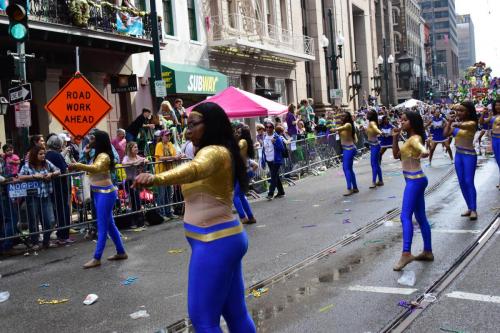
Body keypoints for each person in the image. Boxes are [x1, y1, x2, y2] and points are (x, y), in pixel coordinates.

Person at [133, 102, 256, 333]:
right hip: (224, 238)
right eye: (186, 125)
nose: (187, 131)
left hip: (215, 241)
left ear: (210, 126)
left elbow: (195, 169)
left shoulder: (214, 152)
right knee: (236, 313)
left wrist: (156, 178)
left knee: (203, 320)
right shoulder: (219, 150)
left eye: (193, 125)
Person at [69, 130, 128, 268]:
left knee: (102, 226)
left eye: (93, 139)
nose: (90, 140)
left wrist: (77, 165)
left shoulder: (103, 156)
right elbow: (85, 162)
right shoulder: (96, 153)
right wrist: (83, 154)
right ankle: (121, 252)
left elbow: (95, 168)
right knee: (109, 225)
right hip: (99, 192)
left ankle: (97, 258)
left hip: (105, 193)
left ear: (99, 140)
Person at [391, 111, 432, 271]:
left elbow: (423, 149)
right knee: (420, 216)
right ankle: (427, 251)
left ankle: (406, 253)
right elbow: (395, 155)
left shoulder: (414, 139)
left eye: (405, 120)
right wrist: (395, 137)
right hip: (414, 180)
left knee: (404, 216)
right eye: (401, 119)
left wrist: (424, 152)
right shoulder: (408, 139)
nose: (402, 122)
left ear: (413, 122)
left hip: (415, 181)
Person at [19, 145, 61, 250]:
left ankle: (46, 241)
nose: (43, 156)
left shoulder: (46, 163)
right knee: (33, 221)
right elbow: (20, 176)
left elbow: (58, 170)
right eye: (40, 154)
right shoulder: (27, 166)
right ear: (35, 155)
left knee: (49, 221)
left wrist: (51, 174)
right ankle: (35, 243)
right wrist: (33, 176)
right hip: (32, 197)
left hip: (45, 196)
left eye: (44, 154)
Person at [444, 102, 479, 220]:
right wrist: (449, 122)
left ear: (468, 112)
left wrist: (453, 122)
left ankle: (474, 209)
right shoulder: (457, 124)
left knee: (469, 181)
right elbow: (445, 133)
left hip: (469, 156)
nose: (459, 113)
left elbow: (464, 126)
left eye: (461, 110)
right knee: (462, 182)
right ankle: (469, 207)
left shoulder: (472, 123)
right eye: (458, 111)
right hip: (458, 155)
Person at [45, 135, 73, 245]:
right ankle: (63, 236)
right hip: (60, 187)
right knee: (63, 211)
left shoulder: (47, 154)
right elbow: (64, 170)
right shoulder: (56, 155)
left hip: (52, 187)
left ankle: (60, 235)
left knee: (58, 211)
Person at [154, 129, 181, 219]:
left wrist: (179, 156)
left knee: (169, 193)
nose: (168, 137)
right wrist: (174, 157)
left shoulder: (170, 145)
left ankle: (169, 212)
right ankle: (161, 214)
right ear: (162, 137)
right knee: (162, 194)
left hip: (169, 172)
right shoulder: (159, 145)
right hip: (161, 173)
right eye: (166, 135)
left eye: (169, 135)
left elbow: (175, 155)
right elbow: (161, 158)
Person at [234, 125, 258, 225]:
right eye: (236, 132)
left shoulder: (242, 142)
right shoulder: (245, 142)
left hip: (242, 172)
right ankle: (250, 216)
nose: (236, 134)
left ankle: (243, 217)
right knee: (241, 195)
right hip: (245, 171)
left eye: (238, 132)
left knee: (235, 196)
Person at [331, 111, 359, 196]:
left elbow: (342, 128)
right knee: (349, 169)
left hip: (349, 149)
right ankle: (355, 187)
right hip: (347, 149)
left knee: (346, 169)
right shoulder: (342, 126)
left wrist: (335, 129)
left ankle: (349, 188)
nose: (342, 117)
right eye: (342, 116)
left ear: (348, 117)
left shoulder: (348, 125)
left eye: (344, 116)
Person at [122, 141, 146, 227]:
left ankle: (139, 221)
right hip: (130, 182)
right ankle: (135, 222)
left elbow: (145, 159)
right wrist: (134, 163)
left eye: (137, 147)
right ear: (130, 149)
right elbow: (123, 163)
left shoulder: (137, 156)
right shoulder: (126, 157)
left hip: (137, 181)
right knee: (134, 202)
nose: (137, 148)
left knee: (138, 201)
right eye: (135, 147)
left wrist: (144, 161)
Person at [261, 120, 286, 200]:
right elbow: (264, 149)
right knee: (276, 176)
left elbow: (282, 148)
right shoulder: (265, 137)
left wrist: (274, 143)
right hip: (268, 160)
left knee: (273, 176)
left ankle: (270, 193)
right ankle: (281, 192)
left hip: (276, 160)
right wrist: (263, 159)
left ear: (273, 128)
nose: (268, 129)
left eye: (270, 127)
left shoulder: (276, 137)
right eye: (267, 127)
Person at [366, 110, 383, 188]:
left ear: (372, 116)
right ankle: (380, 180)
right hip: (374, 145)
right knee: (376, 164)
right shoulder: (370, 123)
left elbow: (375, 129)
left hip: (375, 146)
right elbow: (371, 131)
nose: (367, 114)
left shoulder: (372, 123)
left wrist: (380, 132)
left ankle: (373, 182)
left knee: (374, 164)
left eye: (369, 114)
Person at [487, 98, 500, 189]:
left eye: (499, 105)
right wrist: (484, 114)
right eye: (496, 105)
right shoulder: (492, 116)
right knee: (498, 161)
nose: (497, 106)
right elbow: (482, 122)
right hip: (495, 140)